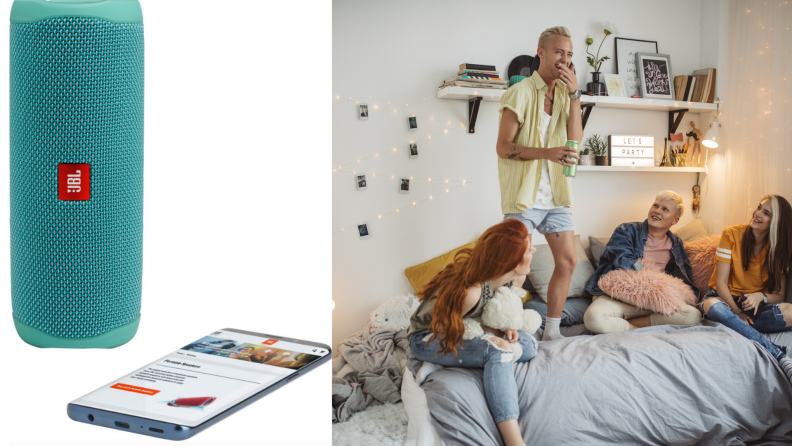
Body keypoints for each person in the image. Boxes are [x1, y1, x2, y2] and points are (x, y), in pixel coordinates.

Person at [408, 220, 539, 446]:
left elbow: (497, 312)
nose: (534, 250)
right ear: (514, 262)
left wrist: (505, 329)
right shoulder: (471, 293)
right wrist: (493, 338)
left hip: (467, 329)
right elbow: (445, 329)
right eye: (529, 249)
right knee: (499, 351)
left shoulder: (510, 278)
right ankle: (514, 441)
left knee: (529, 344)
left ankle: (466, 358)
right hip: (428, 337)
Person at [495, 26, 583, 341]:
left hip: (556, 195)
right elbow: (503, 147)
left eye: (570, 54)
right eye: (559, 51)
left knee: (569, 260)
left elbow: (575, 141)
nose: (565, 59)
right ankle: (502, 329)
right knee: (511, 270)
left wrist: (575, 96)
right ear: (541, 52)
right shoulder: (518, 92)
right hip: (523, 197)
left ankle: (553, 333)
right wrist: (548, 153)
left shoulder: (563, 94)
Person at [700, 195, 792, 385]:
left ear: (776, 223)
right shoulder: (731, 234)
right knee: (712, 306)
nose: (757, 214)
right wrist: (737, 312)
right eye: (759, 208)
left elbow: (780, 295)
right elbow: (721, 282)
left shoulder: (780, 250)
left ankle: (732, 324)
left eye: (766, 213)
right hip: (723, 299)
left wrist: (760, 296)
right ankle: (777, 353)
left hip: (754, 305)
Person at [583, 191, 701, 333]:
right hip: (619, 296)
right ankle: (638, 329)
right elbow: (621, 259)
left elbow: (683, 278)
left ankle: (624, 325)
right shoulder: (627, 230)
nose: (657, 211)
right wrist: (645, 272)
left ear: (675, 220)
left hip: (653, 301)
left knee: (693, 315)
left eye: (665, 209)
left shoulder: (676, 243)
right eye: (655, 205)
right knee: (593, 318)